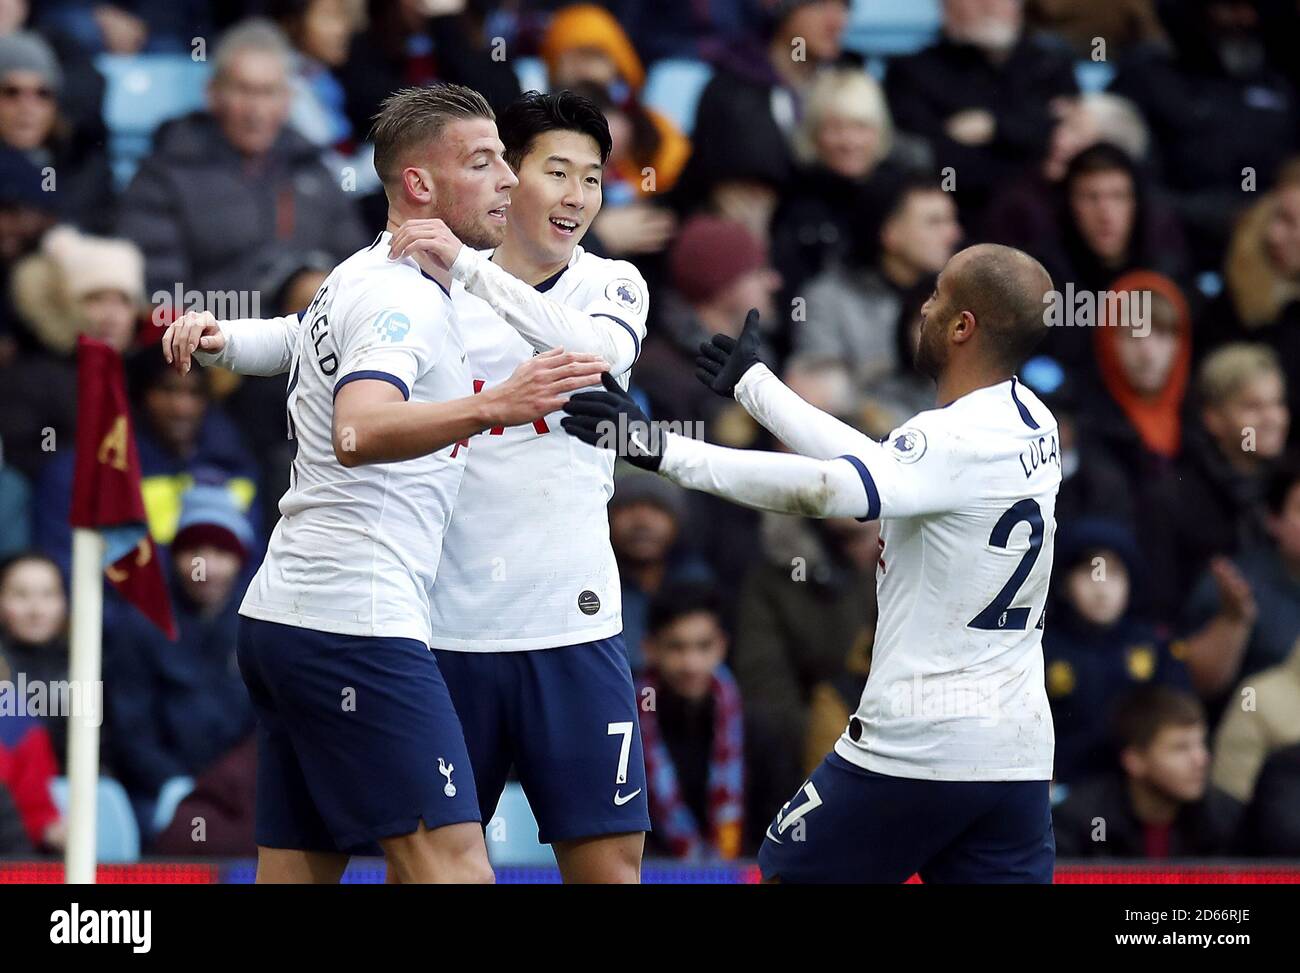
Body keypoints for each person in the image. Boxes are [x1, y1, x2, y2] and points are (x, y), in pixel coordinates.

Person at [171, 89, 653, 883]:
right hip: (438, 626)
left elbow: (590, 358)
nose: (574, 195)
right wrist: (227, 339)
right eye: (550, 170)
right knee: (431, 862)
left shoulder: (609, 285)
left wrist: (467, 268)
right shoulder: (419, 282)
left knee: (603, 867)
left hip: (568, 623)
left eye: (593, 178)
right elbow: (315, 344)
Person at [563, 242, 1062, 882]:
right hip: (1014, 755)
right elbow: (877, 469)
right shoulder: (1033, 423)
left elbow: (834, 490)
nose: (925, 309)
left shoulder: (950, 438)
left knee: (785, 875)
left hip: (917, 742)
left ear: (963, 327)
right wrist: (756, 387)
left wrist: (658, 450)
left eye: (937, 296)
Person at [116, 19, 367, 299]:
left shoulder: (312, 168)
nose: (256, 110)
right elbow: (162, 295)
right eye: (243, 91)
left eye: (268, 92)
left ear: (287, 100)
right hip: (214, 333)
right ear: (212, 93)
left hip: (313, 331)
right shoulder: (166, 174)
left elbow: (356, 269)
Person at [1043, 519, 1190, 786]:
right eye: (1088, 572)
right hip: (1061, 792)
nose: (1101, 589)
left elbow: (1178, 718)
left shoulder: (1155, 648)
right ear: (1064, 582)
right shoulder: (1042, 649)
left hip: (1140, 788)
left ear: (1131, 583)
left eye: (1115, 574)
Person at [1052, 687, 1242, 858]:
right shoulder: (1080, 823)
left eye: (1201, 744)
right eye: (1181, 748)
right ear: (1134, 760)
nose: (1201, 759)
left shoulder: (1225, 818)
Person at [638, 583, 745, 860]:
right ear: (650, 648)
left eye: (703, 646)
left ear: (721, 645)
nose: (691, 663)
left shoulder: (757, 729)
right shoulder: (623, 732)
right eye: (676, 647)